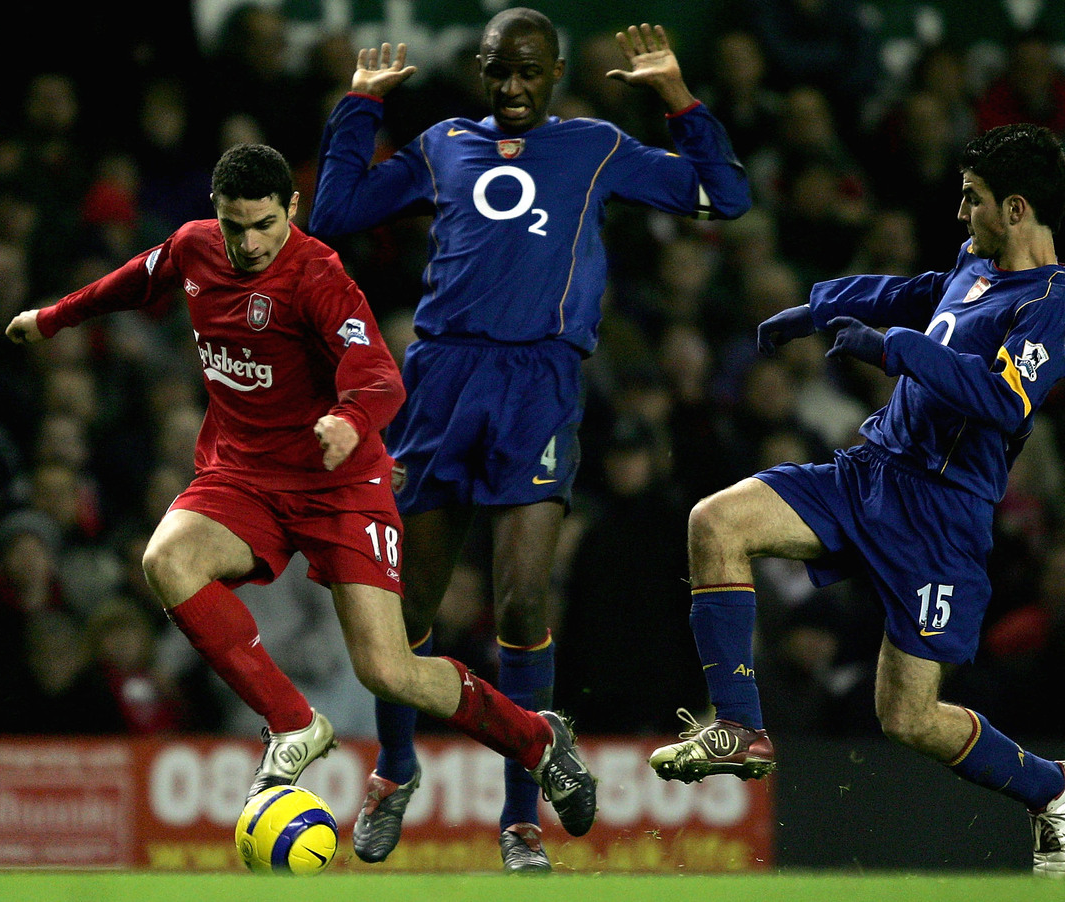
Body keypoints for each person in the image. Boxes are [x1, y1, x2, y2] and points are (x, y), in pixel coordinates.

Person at [3, 143, 596, 840]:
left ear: (292, 209)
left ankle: (538, 740)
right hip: (244, 476)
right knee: (167, 561)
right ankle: (292, 723)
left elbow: (380, 375)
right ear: (215, 216)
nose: (249, 243)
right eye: (235, 227)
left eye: (264, 225)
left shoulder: (319, 276)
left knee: (389, 670)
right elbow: (135, 280)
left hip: (338, 485)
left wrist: (348, 421)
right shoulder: (195, 248)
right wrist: (52, 318)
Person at [308, 10, 751, 872]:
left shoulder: (593, 146)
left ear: (553, 75)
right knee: (405, 612)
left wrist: (676, 96)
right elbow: (333, 213)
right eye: (497, 73)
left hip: (538, 387)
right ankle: (396, 770)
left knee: (520, 603)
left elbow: (725, 196)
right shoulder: (442, 143)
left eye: (527, 73)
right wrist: (358, 106)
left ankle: (519, 819)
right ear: (479, 72)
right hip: (440, 384)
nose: (511, 88)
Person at [648, 123, 1065, 878]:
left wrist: (892, 348)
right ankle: (739, 728)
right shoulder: (971, 263)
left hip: (941, 519)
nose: (961, 214)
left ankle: (1053, 786)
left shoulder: (1051, 304)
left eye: (973, 200)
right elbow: (916, 293)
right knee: (714, 522)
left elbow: (1002, 400)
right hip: (871, 473)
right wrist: (820, 308)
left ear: (1016, 209)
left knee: (908, 718)